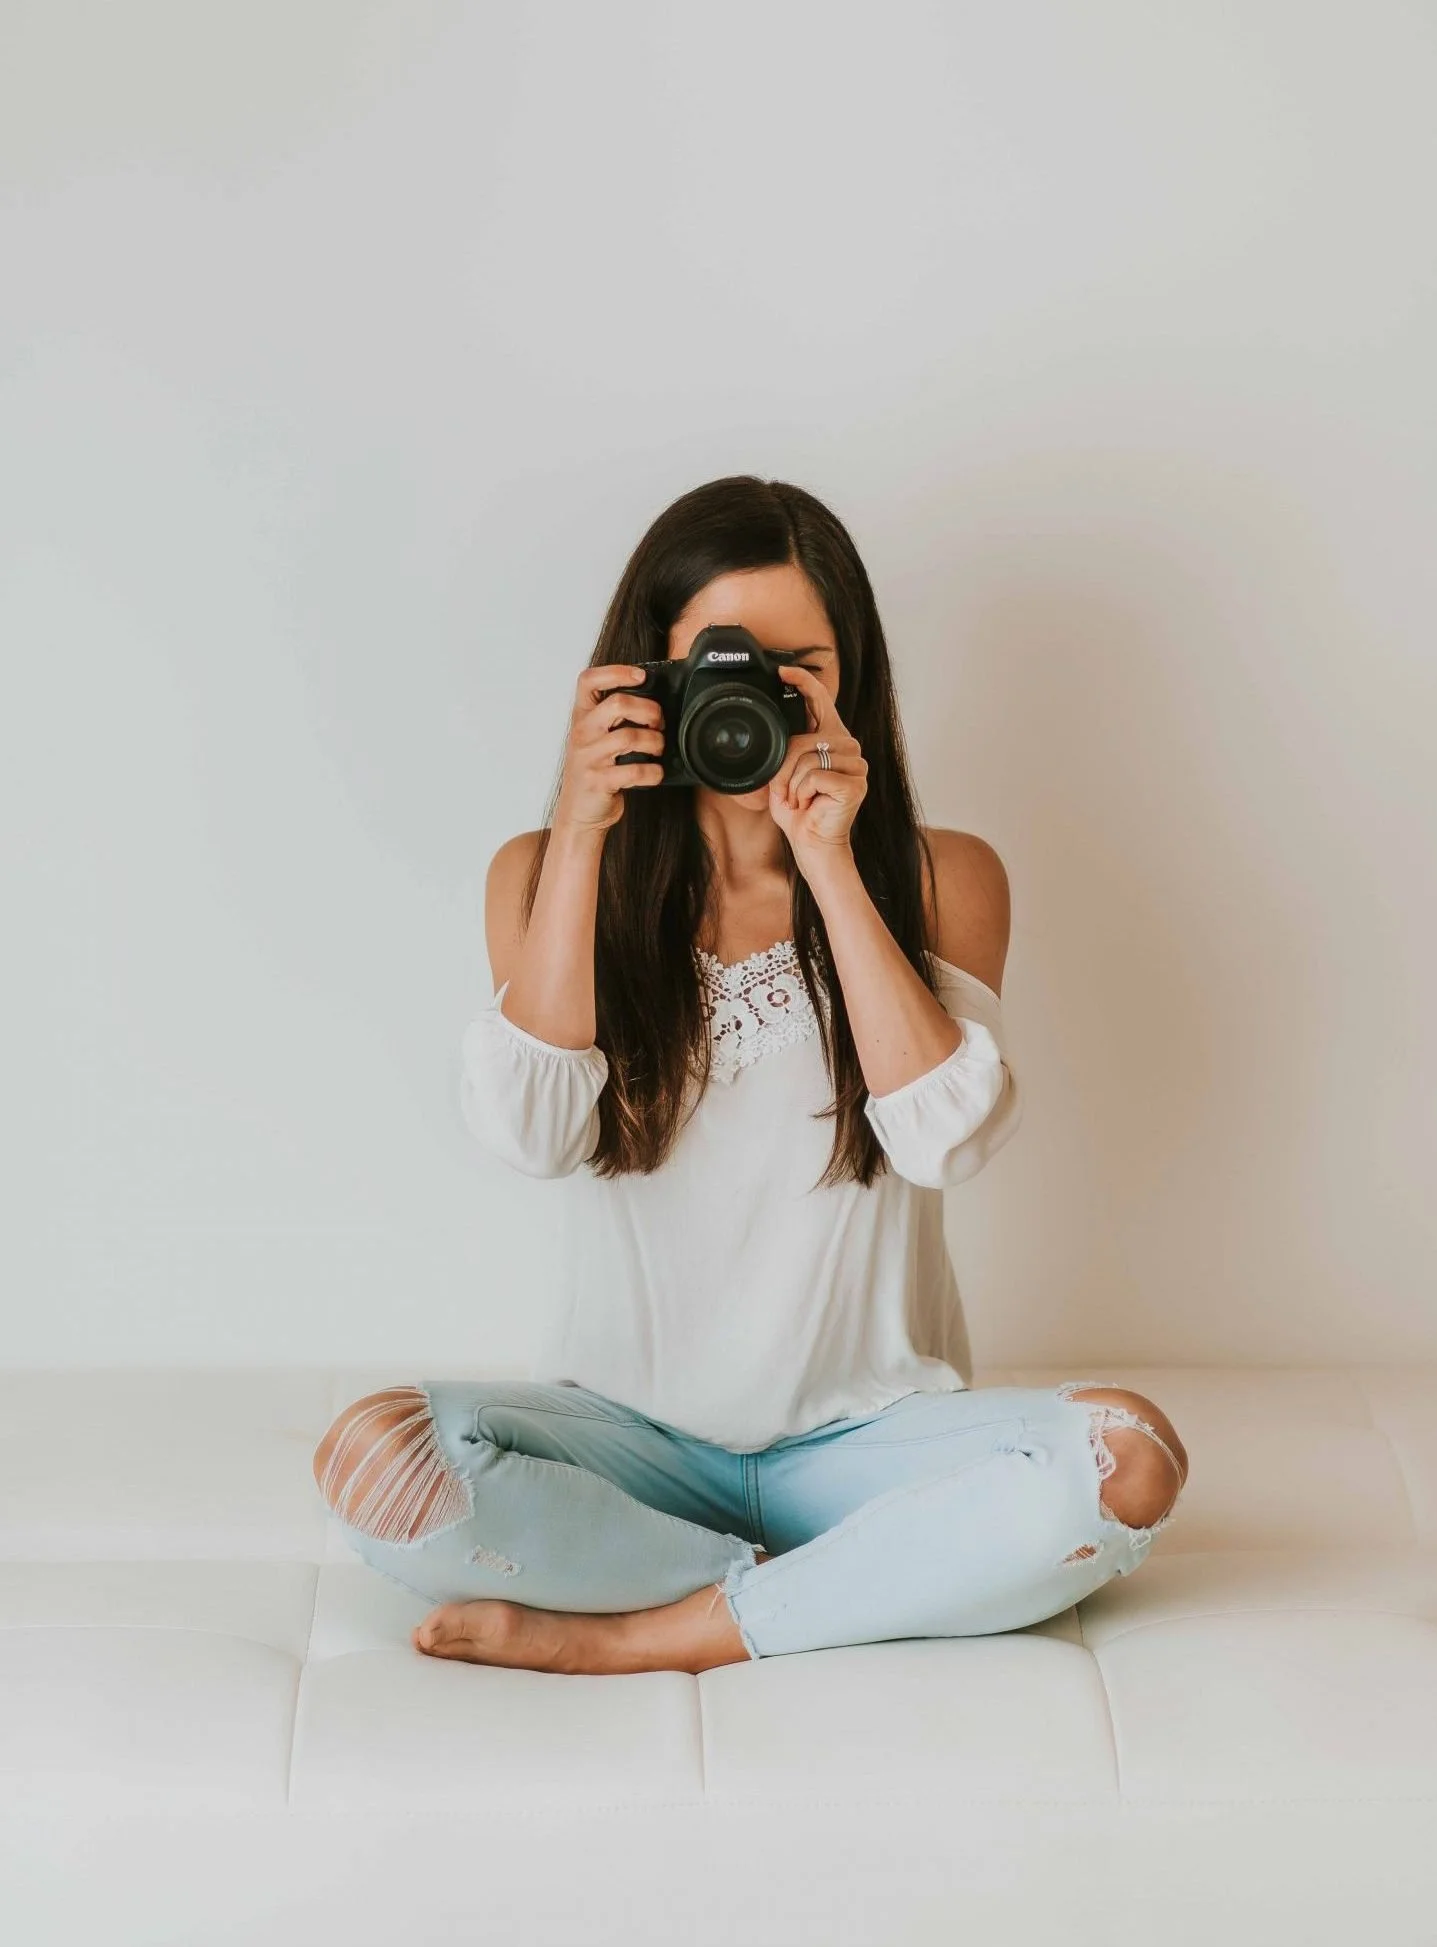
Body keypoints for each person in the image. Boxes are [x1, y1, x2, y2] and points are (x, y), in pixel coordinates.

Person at [311, 475, 1189, 1674]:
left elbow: (944, 1141)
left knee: (1128, 1456)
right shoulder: (540, 875)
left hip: (870, 1441)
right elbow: (528, 1132)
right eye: (720, 664)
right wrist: (579, 831)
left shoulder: (943, 877)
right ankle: (847, 1587)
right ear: (644, 677)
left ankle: (658, 1631)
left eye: (796, 666)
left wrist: (828, 857)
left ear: (853, 678)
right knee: (373, 1455)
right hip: (628, 1446)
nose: (753, 698)